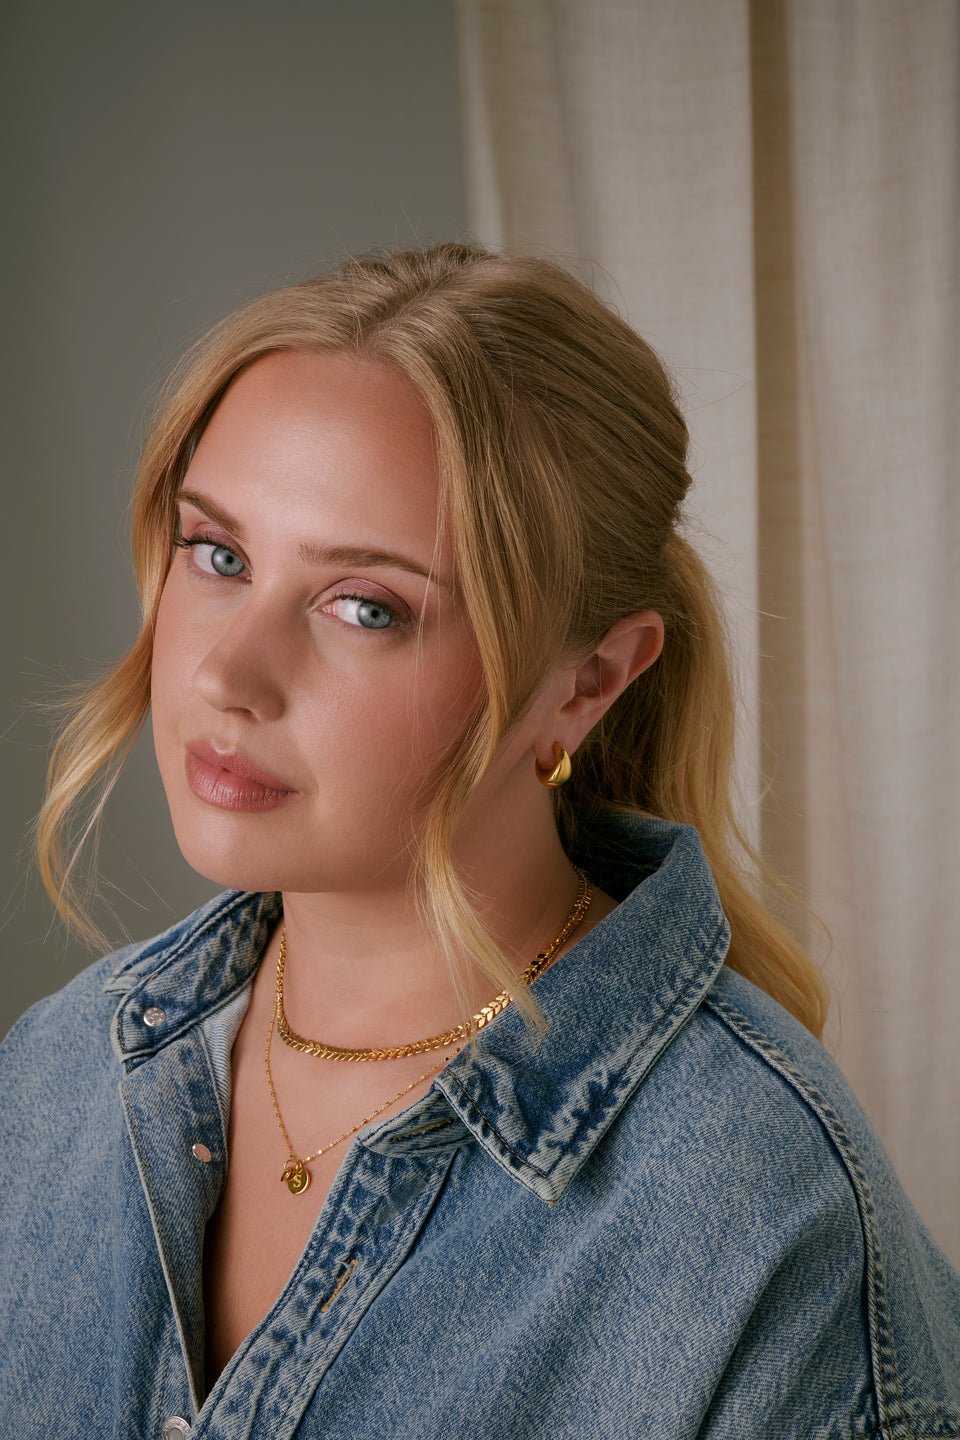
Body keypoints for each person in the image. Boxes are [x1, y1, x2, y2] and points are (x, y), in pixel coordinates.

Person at [1, 242, 957, 1440]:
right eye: (220, 554)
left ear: (589, 681)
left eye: (367, 606)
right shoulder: (56, 1081)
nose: (226, 674)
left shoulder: (765, 1220)